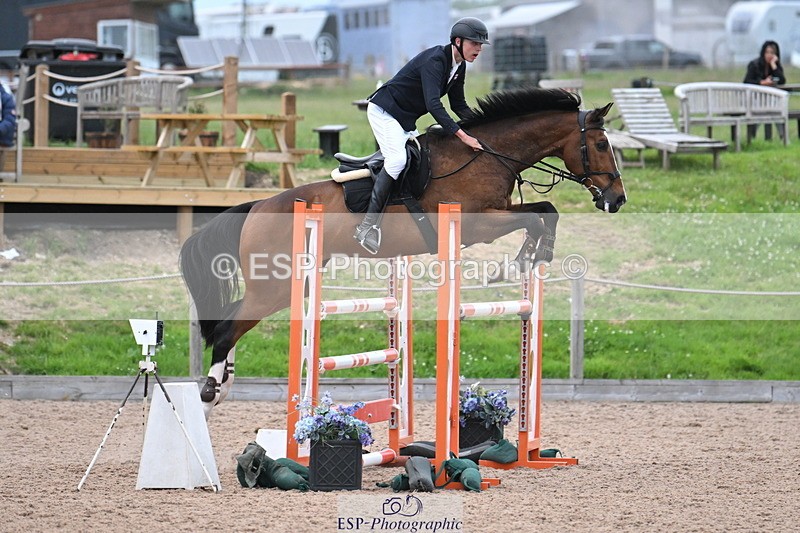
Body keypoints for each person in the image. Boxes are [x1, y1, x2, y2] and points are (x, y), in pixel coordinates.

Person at [354, 17, 489, 254]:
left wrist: (484, 125)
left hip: (404, 118)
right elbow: (434, 105)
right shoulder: (435, 61)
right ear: (457, 41)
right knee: (397, 161)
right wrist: (464, 137)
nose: (478, 49)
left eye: (480, 45)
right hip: (385, 111)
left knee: (423, 159)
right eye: (474, 43)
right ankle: (368, 226)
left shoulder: (459, 66)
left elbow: (459, 105)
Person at [743, 40, 786, 141]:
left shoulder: (775, 65)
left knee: (776, 111)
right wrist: (761, 83)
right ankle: (752, 137)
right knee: (762, 112)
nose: (769, 55)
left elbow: (782, 80)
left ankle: (782, 137)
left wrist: (774, 65)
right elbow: (747, 81)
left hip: (771, 101)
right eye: (767, 52)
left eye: (772, 53)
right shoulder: (754, 64)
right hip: (755, 100)